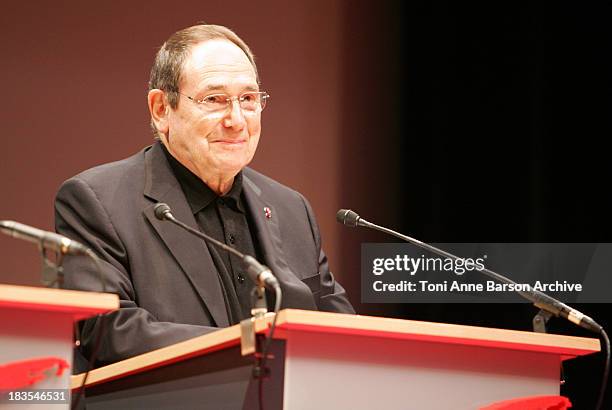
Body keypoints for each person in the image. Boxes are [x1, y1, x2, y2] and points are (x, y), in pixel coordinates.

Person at [55, 24, 354, 369]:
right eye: (215, 100)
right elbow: (109, 332)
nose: (237, 120)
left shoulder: (291, 209)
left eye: (248, 99)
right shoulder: (96, 200)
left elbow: (338, 329)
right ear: (161, 109)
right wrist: (249, 349)